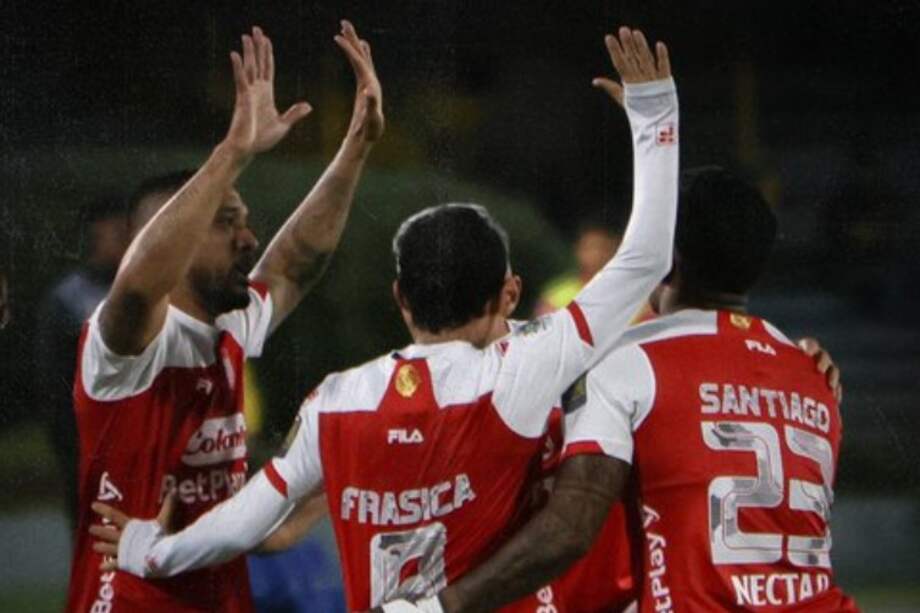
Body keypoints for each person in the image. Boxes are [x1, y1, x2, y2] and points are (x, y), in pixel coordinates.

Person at [90, 25, 682, 612]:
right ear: (509, 292)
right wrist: (654, 118)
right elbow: (645, 259)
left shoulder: (336, 400)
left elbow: (250, 517)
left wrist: (153, 551)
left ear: (401, 298)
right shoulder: (522, 369)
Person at [424, 167, 859, 612]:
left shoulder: (628, 362)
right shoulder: (812, 373)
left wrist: (437, 607)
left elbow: (570, 529)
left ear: (664, 255)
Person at [67, 20, 384, 612]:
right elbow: (136, 286)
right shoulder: (127, 347)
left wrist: (357, 145)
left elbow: (296, 263)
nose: (248, 238)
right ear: (173, 237)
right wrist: (232, 152)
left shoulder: (230, 326)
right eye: (225, 222)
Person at [35, 195, 130, 533]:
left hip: (135, 434)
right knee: (92, 531)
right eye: (116, 233)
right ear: (93, 235)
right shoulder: (69, 296)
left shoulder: (137, 286)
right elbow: (54, 378)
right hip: (86, 439)